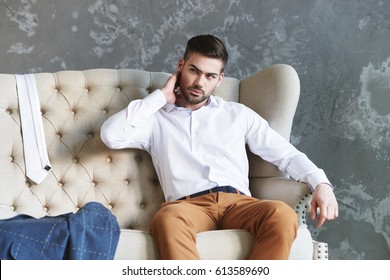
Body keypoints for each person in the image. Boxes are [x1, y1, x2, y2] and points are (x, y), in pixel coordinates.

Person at [100, 34, 338, 260]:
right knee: (167, 218)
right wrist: (162, 96)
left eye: (210, 76)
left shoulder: (237, 114)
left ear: (220, 78)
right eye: (194, 70)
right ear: (181, 66)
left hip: (240, 203)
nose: (199, 82)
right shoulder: (155, 118)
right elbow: (111, 135)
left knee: (282, 214)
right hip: (187, 206)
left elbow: (285, 154)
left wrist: (321, 183)